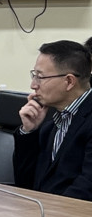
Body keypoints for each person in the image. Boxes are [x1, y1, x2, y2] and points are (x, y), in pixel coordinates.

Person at [13, 40, 92, 200]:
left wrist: (48, 211)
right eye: (34, 76)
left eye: (40, 77)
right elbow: (25, 184)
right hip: (44, 210)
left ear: (69, 81)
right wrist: (29, 131)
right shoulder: (51, 122)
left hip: (72, 214)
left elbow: (85, 191)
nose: (33, 85)